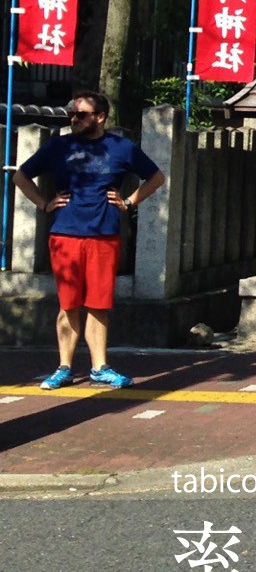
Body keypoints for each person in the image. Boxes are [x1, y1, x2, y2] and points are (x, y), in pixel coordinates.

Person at [11, 90, 165, 390]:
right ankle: (64, 368)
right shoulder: (59, 146)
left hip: (104, 236)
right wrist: (44, 204)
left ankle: (99, 367)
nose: (74, 118)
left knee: (98, 304)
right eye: (73, 113)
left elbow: (156, 177)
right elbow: (21, 176)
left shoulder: (122, 148)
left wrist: (129, 202)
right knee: (69, 304)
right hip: (65, 235)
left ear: (100, 117)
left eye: (81, 114)